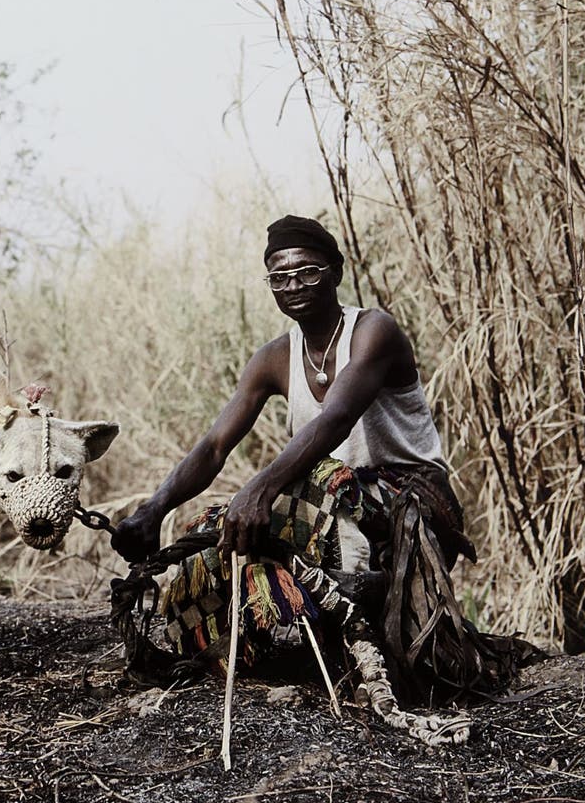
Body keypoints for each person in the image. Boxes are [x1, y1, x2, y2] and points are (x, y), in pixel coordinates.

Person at [110, 213, 515, 703]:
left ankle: (369, 621)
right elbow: (215, 446)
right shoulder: (274, 358)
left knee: (307, 486)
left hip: (412, 500)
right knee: (219, 532)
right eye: (279, 276)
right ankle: (246, 647)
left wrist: (260, 488)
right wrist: (154, 510)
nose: (293, 286)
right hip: (332, 501)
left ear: (336, 272)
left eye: (307, 271)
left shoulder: (373, 331)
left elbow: (335, 419)